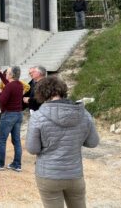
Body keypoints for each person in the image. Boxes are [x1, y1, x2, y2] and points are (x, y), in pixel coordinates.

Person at [26, 76, 99, 208]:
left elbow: (33, 149)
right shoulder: (84, 114)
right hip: (74, 174)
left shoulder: (38, 117)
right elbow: (93, 142)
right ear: (63, 91)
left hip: (48, 174)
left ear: (42, 93)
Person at [0, 66, 24, 172]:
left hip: (9, 115)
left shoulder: (9, 87)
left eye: (7, 72)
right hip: (18, 114)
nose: (6, 74)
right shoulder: (19, 85)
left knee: (1, 139)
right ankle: (17, 164)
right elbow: (8, 84)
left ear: (11, 75)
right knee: (16, 140)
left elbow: (2, 100)